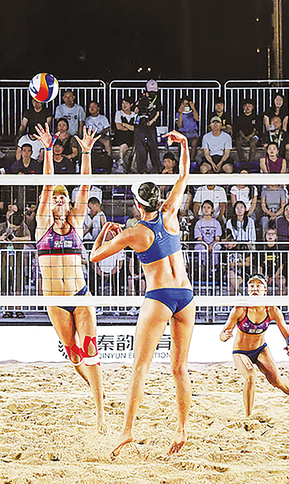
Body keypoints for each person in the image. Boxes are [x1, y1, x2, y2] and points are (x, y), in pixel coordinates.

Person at [90, 130, 195, 456]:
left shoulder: (134, 233)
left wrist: (104, 233)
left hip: (160, 297)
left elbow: (95, 258)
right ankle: (182, 428)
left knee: (141, 366)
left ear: (137, 205)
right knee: (179, 368)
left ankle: (127, 431)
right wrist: (185, 145)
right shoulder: (171, 212)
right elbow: (184, 174)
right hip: (186, 296)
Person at [35, 123, 105, 432]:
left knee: (90, 348)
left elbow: (85, 187)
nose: (59, 201)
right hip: (55, 301)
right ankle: (94, 388)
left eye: (63, 198)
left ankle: (101, 411)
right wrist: (48, 150)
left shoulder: (75, 222)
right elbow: (47, 185)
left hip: (80, 295)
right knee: (74, 354)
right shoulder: (42, 225)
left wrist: (86, 152)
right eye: (56, 199)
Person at [219, 275, 289, 416]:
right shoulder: (240, 309)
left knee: (277, 380)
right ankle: (248, 416)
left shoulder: (271, 309)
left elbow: (286, 332)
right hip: (241, 351)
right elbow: (222, 334)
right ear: (247, 290)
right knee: (251, 376)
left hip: (261, 349)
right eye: (251, 286)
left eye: (258, 286)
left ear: (265, 290)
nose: (255, 289)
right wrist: (225, 336)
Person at [133, 80, 162, 174]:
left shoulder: (157, 99)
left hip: (151, 125)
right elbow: (135, 111)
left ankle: (157, 168)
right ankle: (142, 169)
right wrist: (138, 104)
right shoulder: (141, 98)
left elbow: (158, 112)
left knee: (153, 147)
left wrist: (151, 121)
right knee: (140, 148)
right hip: (139, 126)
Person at [113, 97, 136, 172]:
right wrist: (129, 127)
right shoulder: (119, 113)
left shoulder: (134, 115)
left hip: (131, 137)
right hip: (121, 136)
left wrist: (125, 124)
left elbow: (135, 128)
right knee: (124, 142)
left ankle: (126, 163)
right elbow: (119, 127)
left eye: (127, 103)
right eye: (123, 103)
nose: (124, 105)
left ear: (131, 105)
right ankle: (121, 160)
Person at [175, 96, 200, 162]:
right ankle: (181, 161)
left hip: (192, 132)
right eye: (184, 104)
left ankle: (191, 161)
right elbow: (179, 125)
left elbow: (197, 118)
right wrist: (180, 113)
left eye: (187, 104)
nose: (186, 106)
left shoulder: (192, 112)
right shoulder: (178, 114)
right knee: (181, 143)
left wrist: (193, 108)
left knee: (194, 142)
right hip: (183, 133)